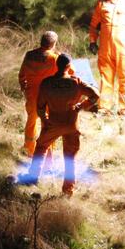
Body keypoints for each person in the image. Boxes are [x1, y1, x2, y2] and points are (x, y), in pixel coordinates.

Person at [19, 53, 99, 196]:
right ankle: (68, 190)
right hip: (71, 124)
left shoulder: (46, 83)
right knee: (70, 158)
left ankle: (33, 178)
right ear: (69, 67)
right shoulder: (76, 83)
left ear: (56, 65)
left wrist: (45, 120)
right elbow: (95, 96)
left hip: (53, 123)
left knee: (41, 147)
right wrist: (81, 106)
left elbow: (40, 107)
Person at [18, 31, 59, 156]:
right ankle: (47, 153)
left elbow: (21, 75)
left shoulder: (29, 55)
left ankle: (29, 149)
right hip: (47, 96)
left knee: (31, 121)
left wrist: (24, 87)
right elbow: (67, 72)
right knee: (47, 124)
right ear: (53, 44)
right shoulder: (54, 58)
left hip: (31, 95)